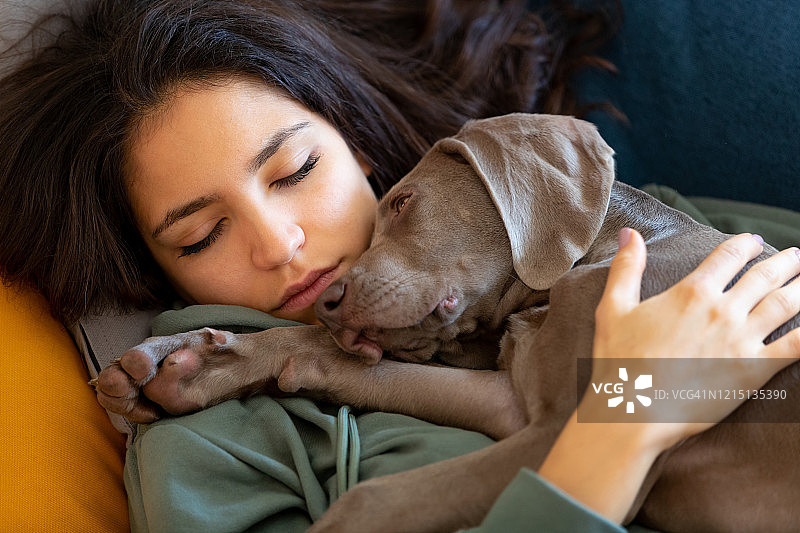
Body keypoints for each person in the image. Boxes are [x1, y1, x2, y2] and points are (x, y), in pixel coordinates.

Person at [0, 1, 798, 531]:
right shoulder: (208, 446)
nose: (279, 244)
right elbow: (565, 416)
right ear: (151, 270)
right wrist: (626, 422)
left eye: (295, 172)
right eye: (202, 235)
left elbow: (519, 406)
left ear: (358, 145)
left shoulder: (593, 227)